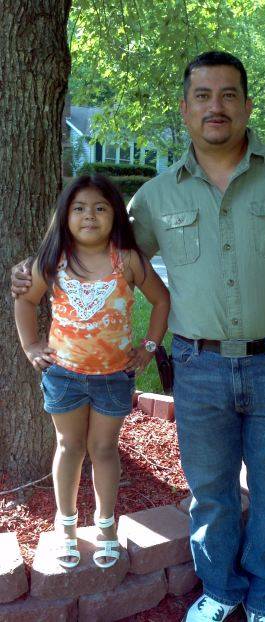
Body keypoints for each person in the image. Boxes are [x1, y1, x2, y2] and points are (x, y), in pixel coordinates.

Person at [12, 51, 265, 620]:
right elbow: (104, 254)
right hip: (199, 369)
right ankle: (220, 590)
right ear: (185, 107)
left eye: (227, 94)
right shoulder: (156, 197)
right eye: (202, 95)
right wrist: (34, 268)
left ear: (245, 104)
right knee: (211, 492)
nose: (215, 106)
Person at [13, 173, 170, 569]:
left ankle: (105, 526)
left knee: (102, 449)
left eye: (101, 208)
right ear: (65, 216)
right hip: (64, 375)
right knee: (69, 447)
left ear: (115, 215)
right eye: (79, 208)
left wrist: (149, 346)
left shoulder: (127, 260)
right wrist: (31, 345)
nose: (89, 216)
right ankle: (64, 525)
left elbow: (162, 300)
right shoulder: (52, 261)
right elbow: (27, 302)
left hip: (114, 378)